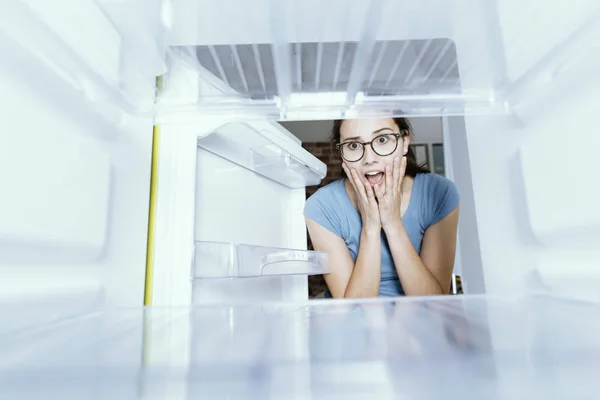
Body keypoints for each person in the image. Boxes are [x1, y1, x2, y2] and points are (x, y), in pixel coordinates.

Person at [304, 117, 459, 298]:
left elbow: (435, 301)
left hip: (419, 319)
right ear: (341, 152)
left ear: (404, 142)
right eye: (353, 145)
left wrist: (392, 224)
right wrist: (370, 228)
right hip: (355, 323)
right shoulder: (321, 206)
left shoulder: (439, 192)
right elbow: (351, 308)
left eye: (382, 140)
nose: (369, 159)